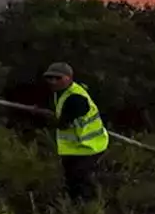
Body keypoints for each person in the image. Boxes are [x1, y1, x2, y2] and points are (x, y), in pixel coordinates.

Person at [41, 62, 109, 201]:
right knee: (72, 180)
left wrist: (51, 121)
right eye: (50, 78)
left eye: (58, 78)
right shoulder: (60, 93)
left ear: (69, 78)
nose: (53, 81)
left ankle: (90, 208)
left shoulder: (76, 98)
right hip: (73, 148)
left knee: (82, 180)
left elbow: (63, 124)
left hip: (89, 146)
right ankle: (77, 206)